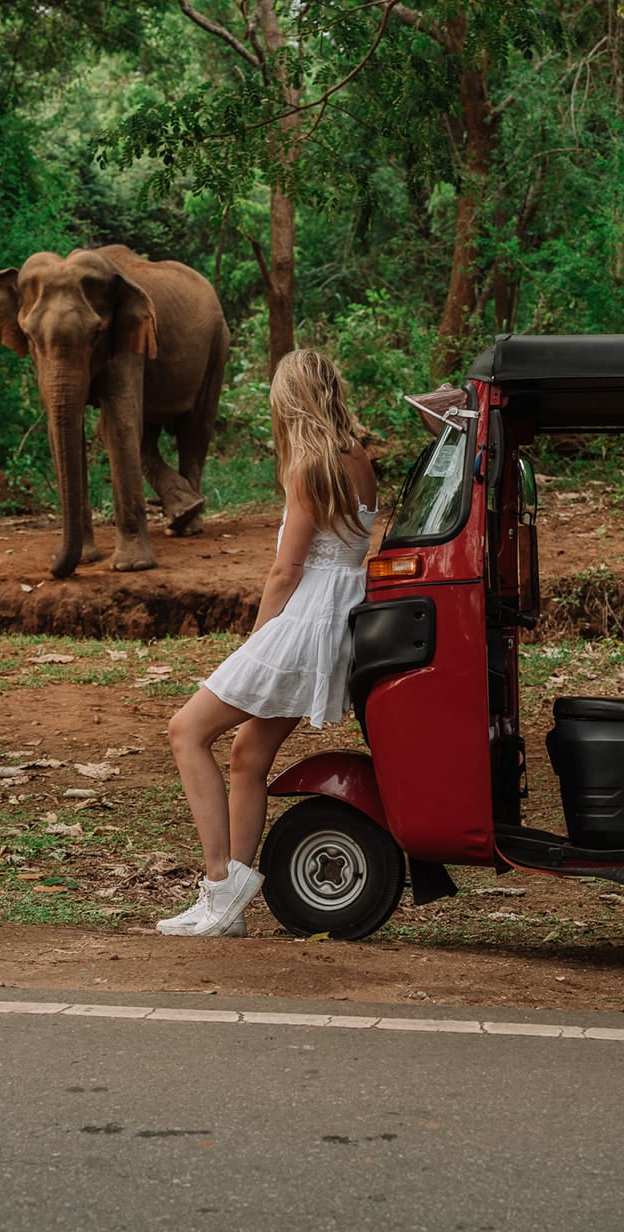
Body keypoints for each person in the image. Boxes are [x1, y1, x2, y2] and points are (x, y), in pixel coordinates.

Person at [156, 349, 378, 938]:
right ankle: (226, 904)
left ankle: (218, 884)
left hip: (305, 622)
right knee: (247, 757)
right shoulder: (357, 457)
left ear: (292, 401)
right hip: (338, 620)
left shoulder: (308, 469)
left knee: (187, 730)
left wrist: (255, 645)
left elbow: (286, 572)